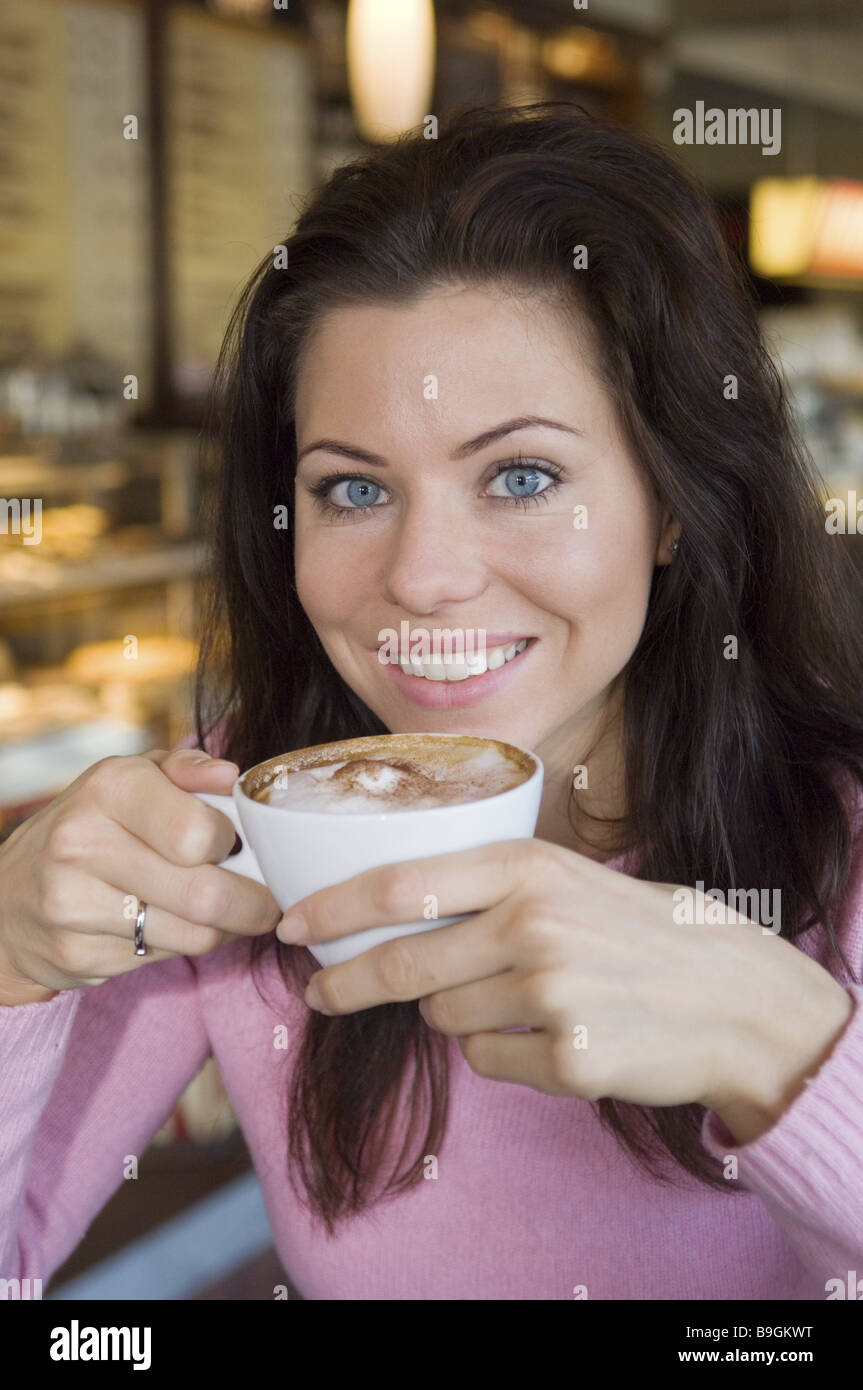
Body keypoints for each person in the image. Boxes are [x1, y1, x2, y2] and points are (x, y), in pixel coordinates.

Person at [2, 101, 862, 1301]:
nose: (420, 576)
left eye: (519, 475)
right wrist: (9, 964)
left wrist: (788, 1049)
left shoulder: (839, 841)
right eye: (352, 490)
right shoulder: (232, 825)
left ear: (671, 501)